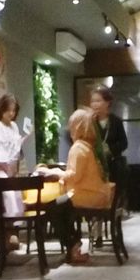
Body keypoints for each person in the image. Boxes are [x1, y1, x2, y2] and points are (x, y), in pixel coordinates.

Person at [36, 108, 111, 266]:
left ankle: (73, 245)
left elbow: (74, 175)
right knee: (60, 207)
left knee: (52, 208)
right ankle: (74, 244)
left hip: (87, 194)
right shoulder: (88, 146)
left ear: (77, 127)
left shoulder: (78, 147)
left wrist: (53, 172)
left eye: (71, 125)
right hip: (96, 193)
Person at [0, 93, 31, 250]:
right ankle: (7, 234)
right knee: (8, 195)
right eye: (8, 110)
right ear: (1, 109)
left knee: (16, 195)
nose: (11, 113)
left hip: (10, 168)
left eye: (14, 110)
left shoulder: (14, 127)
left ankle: (12, 233)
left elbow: (15, 149)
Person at [91, 85, 128, 217]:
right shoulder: (90, 121)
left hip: (113, 166)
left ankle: (114, 221)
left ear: (107, 103)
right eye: (93, 101)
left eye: (98, 101)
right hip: (95, 166)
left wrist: (110, 150)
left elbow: (124, 143)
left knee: (113, 198)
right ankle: (98, 230)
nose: (95, 104)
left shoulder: (116, 121)